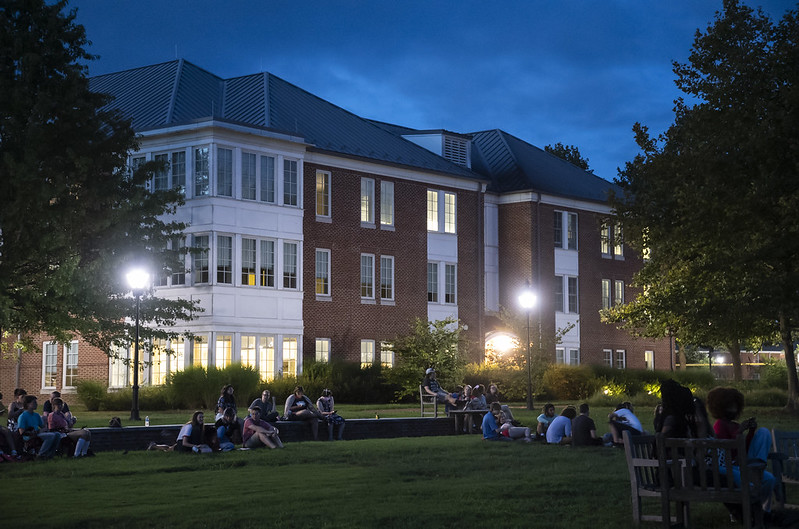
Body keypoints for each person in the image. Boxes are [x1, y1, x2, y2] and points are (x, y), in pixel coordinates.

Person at [706, 386, 776, 513]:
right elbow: (724, 447)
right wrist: (740, 431)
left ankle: (758, 465)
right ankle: (755, 511)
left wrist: (751, 431)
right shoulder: (720, 424)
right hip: (731, 464)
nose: (733, 409)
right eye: (730, 406)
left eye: (735, 406)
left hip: (745, 461)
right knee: (768, 479)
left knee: (764, 432)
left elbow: (745, 447)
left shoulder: (734, 425)